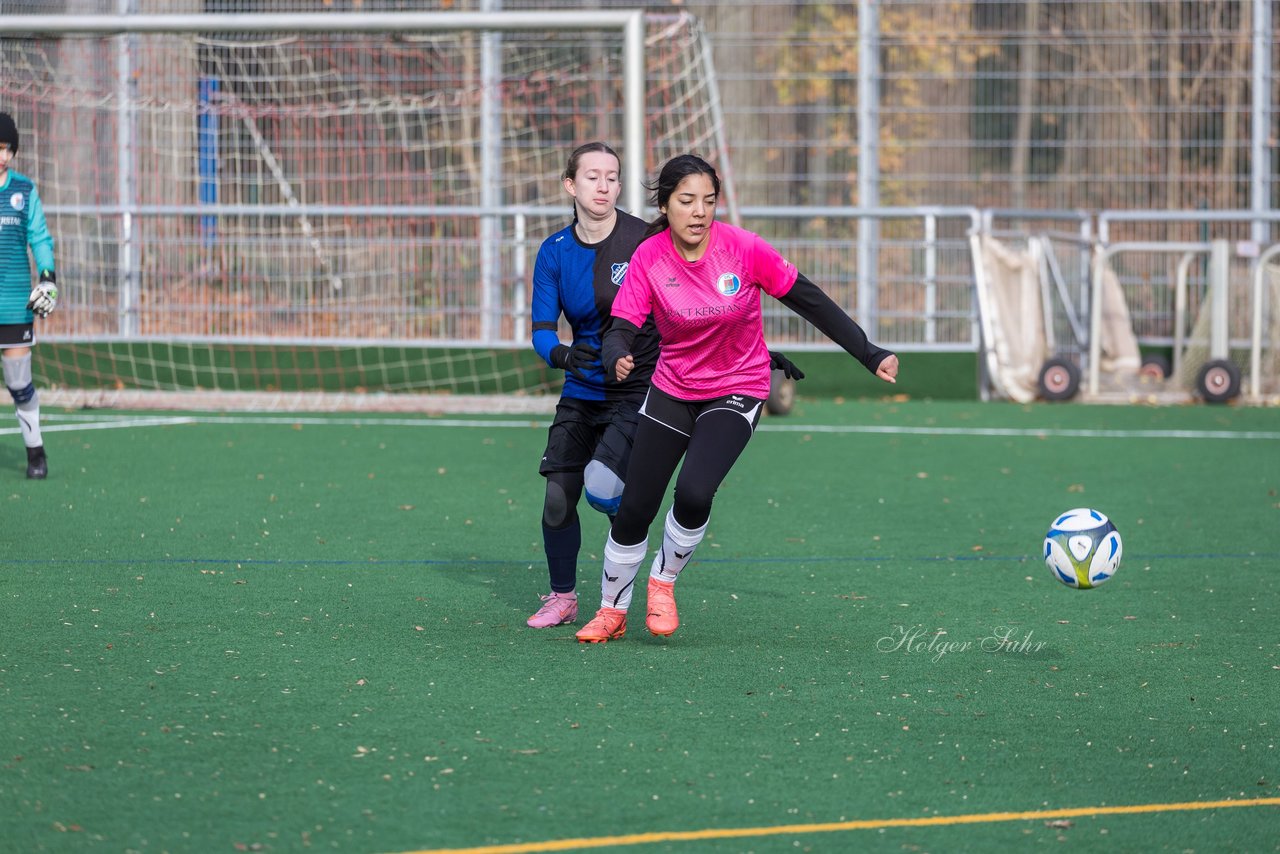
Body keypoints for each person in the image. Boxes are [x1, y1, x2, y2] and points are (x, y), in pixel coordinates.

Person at [575, 153, 899, 643]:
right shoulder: (649, 256)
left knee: (694, 492)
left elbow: (808, 299)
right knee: (636, 505)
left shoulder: (742, 248)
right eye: (687, 201)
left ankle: (662, 583)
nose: (699, 211)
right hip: (672, 387)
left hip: (737, 386)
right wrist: (615, 352)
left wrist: (867, 352)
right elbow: (623, 325)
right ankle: (610, 611)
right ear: (666, 204)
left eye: (708, 200)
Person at [525, 142, 660, 628]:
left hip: (637, 390)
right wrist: (562, 354)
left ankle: (641, 552)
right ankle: (563, 598)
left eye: (612, 177)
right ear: (571, 185)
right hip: (581, 390)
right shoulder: (554, 252)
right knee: (558, 497)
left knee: (603, 489)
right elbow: (542, 330)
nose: (603, 186)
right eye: (592, 177)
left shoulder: (645, 241)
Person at [0, 111, 58, 480]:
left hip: (13, 304)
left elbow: (39, 237)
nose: (1, 155)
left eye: (6, 148)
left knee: (19, 383)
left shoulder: (24, 190)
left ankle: (36, 453)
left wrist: (49, 276)